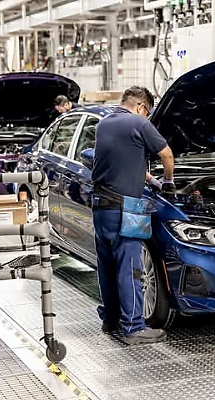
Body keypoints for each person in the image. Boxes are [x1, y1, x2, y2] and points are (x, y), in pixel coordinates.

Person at [91, 86, 174, 345]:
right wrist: (168, 181)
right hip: (125, 209)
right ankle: (134, 327)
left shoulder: (103, 124)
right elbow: (167, 154)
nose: (147, 117)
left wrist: (148, 177)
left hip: (100, 208)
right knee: (130, 268)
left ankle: (111, 319)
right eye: (147, 113)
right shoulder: (139, 123)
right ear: (141, 107)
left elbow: (120, 159)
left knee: (106, 266)